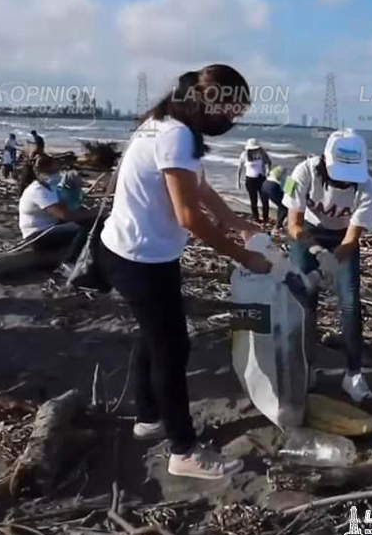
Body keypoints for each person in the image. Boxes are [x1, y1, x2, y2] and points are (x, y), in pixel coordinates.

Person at [98, 65, 269, 481]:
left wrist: (237, 224)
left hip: (136, 253)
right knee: (173, 351)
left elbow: (203, 190)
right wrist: (243, 257)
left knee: (152, 337)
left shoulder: (167, 125)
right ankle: (184, 450)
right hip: (141, 259)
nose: (232, 121)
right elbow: (189, 215)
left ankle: (148, 417)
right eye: (230, 111)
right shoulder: (175, 135)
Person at [283, 129, 372, 403]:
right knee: (305, 302)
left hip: (343, 239)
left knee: (349, 303)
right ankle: (305, 366)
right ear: (326, 162)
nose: (346, 182)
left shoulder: (367, 186)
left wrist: (332, 261)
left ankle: (353, 374)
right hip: (307, 235)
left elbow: (352, 238)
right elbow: (294, 225)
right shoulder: (303, 173)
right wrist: (315, 251)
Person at [18, 154, 93, 253]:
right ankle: (69, 260)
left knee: (91, 222)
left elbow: (67, 207)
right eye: (54, 171)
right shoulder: (37, 190)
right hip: (38, 235)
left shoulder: (51, 188)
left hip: (51, 228)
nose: (58, 174)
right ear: (42, 173)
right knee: (88, 229)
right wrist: (93, 214)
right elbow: (65, 215)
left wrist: (87, 211)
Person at [236, 139, 272, 223]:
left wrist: (267, 170)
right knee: (253, 201)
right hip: (250, 180)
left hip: (261, 179)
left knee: (265, 200)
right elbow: (239, 168)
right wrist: (237, 181)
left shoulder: (262, 153)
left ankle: (265, 218)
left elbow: (268, 162)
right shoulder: (244, 154)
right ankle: (256, 218)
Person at [260, 165, 289, 229]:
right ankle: (278, 226)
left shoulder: (275, 171)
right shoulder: (288, 178)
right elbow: (287, 192)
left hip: (264, 185)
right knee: (284, 206)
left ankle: (265, 221)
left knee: (265, 205)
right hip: (272, 187)